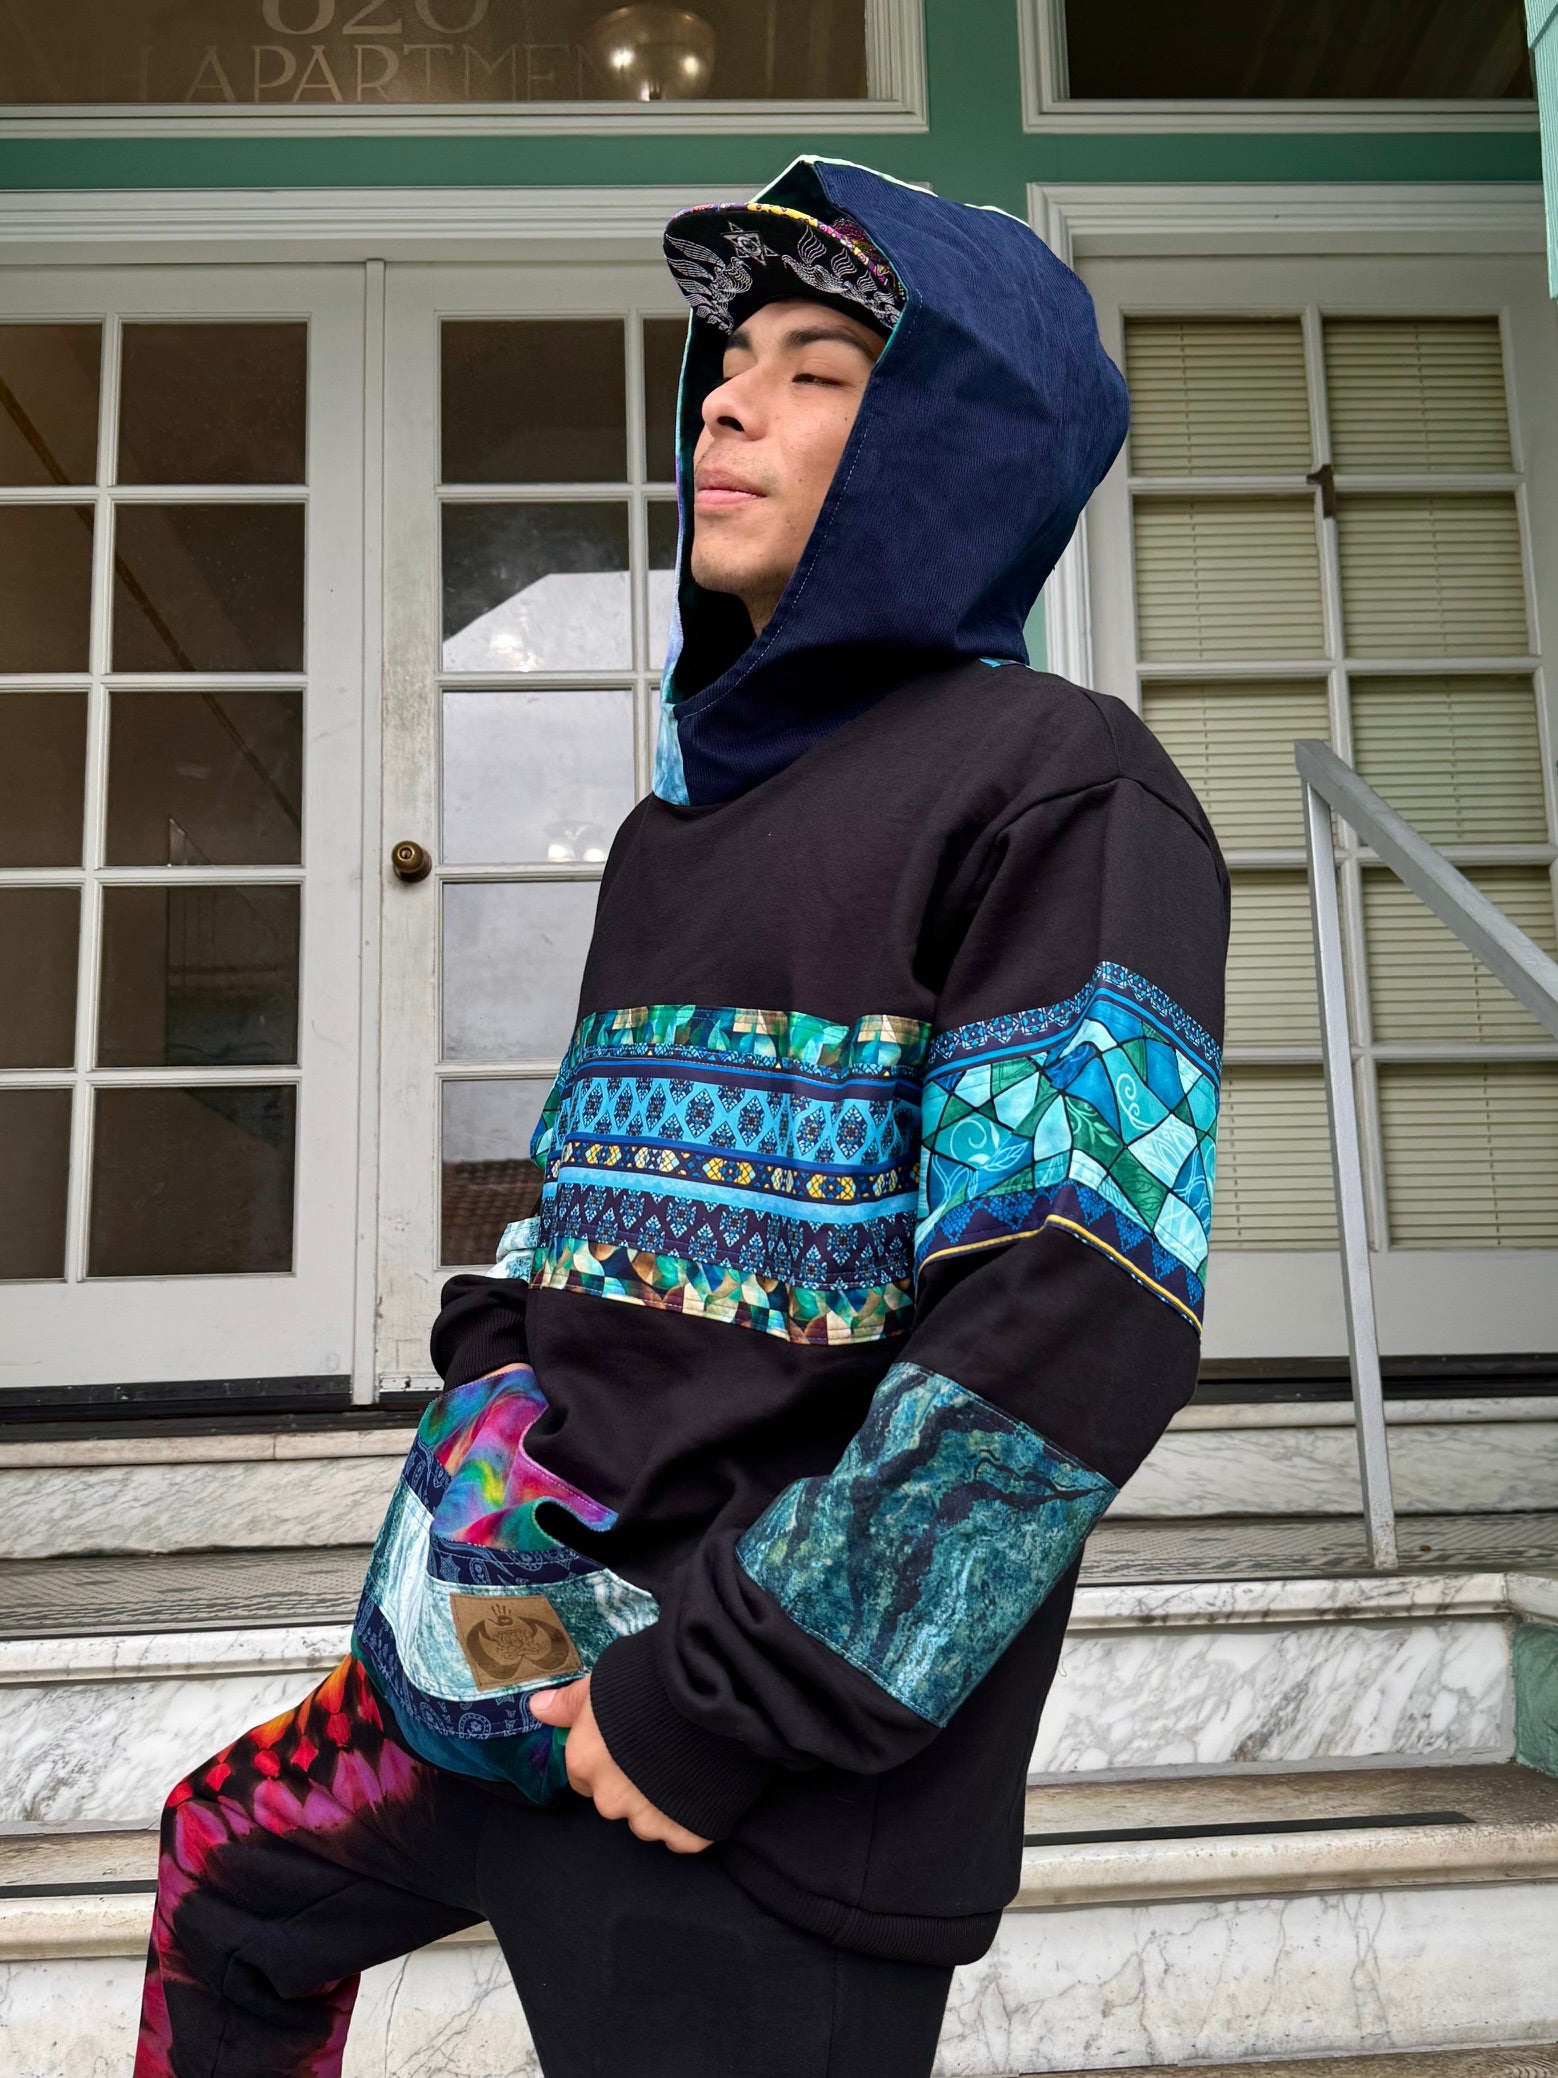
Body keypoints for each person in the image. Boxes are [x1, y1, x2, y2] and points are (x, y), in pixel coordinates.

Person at [134, 157, 1228, 2078]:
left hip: (739, 1793)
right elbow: (583, 1199)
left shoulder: (1061, 788)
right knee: (224, 1876)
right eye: (730, 358)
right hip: (497, 1672)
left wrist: (712, 1705)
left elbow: (1068, 1323)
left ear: (954, 446)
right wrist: (486, 1404)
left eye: (817, 370)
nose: (726, 399)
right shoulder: (677, 823)